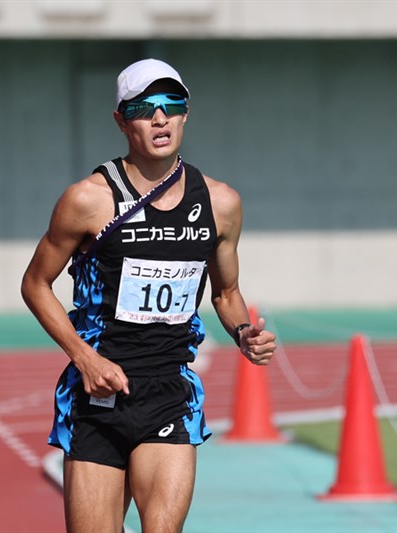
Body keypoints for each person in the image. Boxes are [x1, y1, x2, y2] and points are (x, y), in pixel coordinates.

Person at [21, 58, 276, 533]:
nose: (160, 118)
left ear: (185, 115)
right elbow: (35, 284)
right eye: (144, 107)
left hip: (168, 391)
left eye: (171, 104)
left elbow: (227, 292)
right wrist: (84, 359)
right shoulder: (88, 199)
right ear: (121, 120)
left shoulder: (220, 204)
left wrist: (243, 332)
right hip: (99, 395)